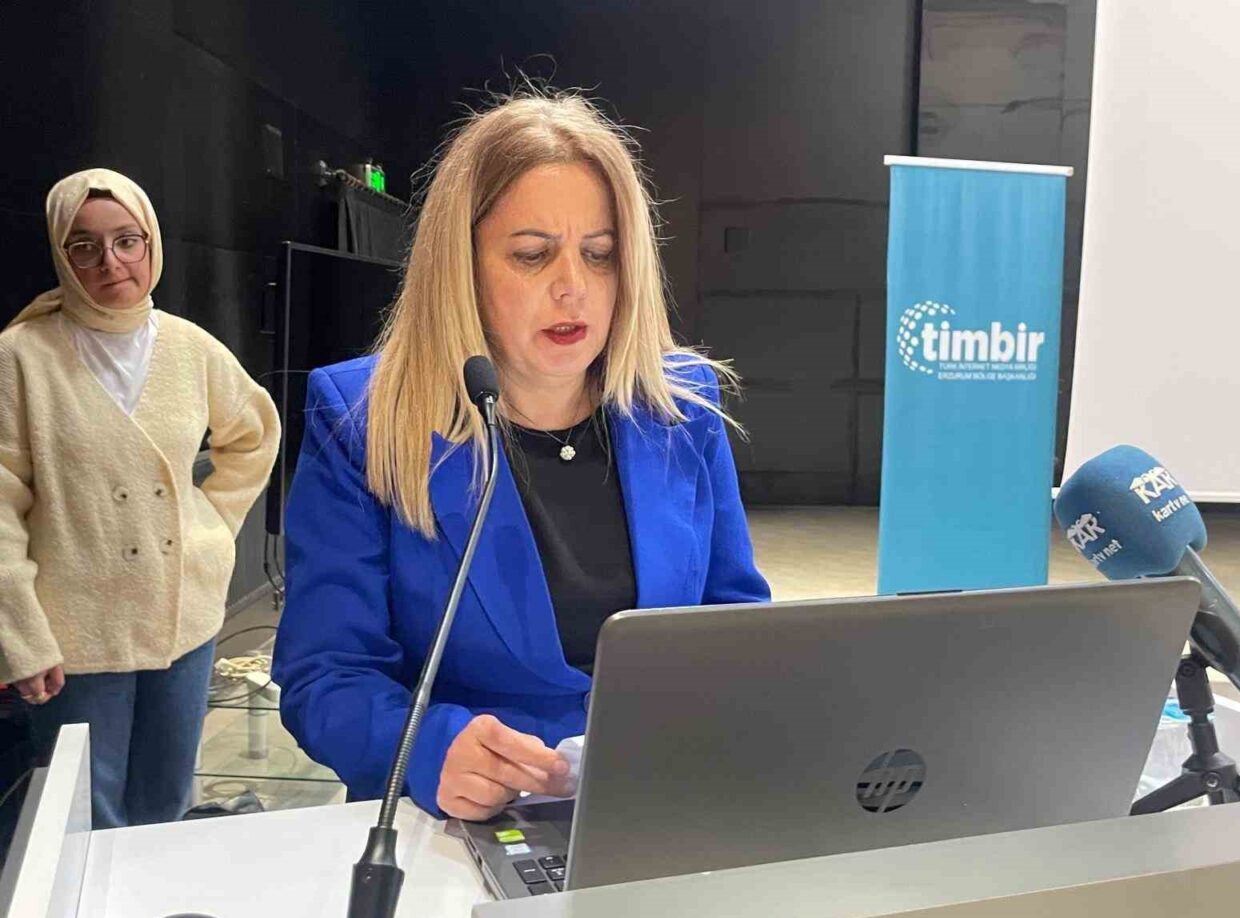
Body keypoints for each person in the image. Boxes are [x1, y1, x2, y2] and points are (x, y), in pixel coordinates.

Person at [272, 92, 770, 822]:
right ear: (462, 267)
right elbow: (327, 675)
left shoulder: (682, 406)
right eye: (533, 255)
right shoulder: (363, 419)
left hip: (658, 801)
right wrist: (429, 751)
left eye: (599, 254)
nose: (573, 286)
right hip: (461, 822)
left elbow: (735, 625)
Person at [0, 169, 281, 828]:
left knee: (165, 802)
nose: (111, 261)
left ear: (151, 242)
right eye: (85, 246)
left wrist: (212, 525)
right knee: (85, 816)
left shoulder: (190, 347)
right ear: (61, 254)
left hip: (182, 614)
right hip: (74, 629)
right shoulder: (21, 356)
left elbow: (254, 435)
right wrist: (20, 636)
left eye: (127, 240)